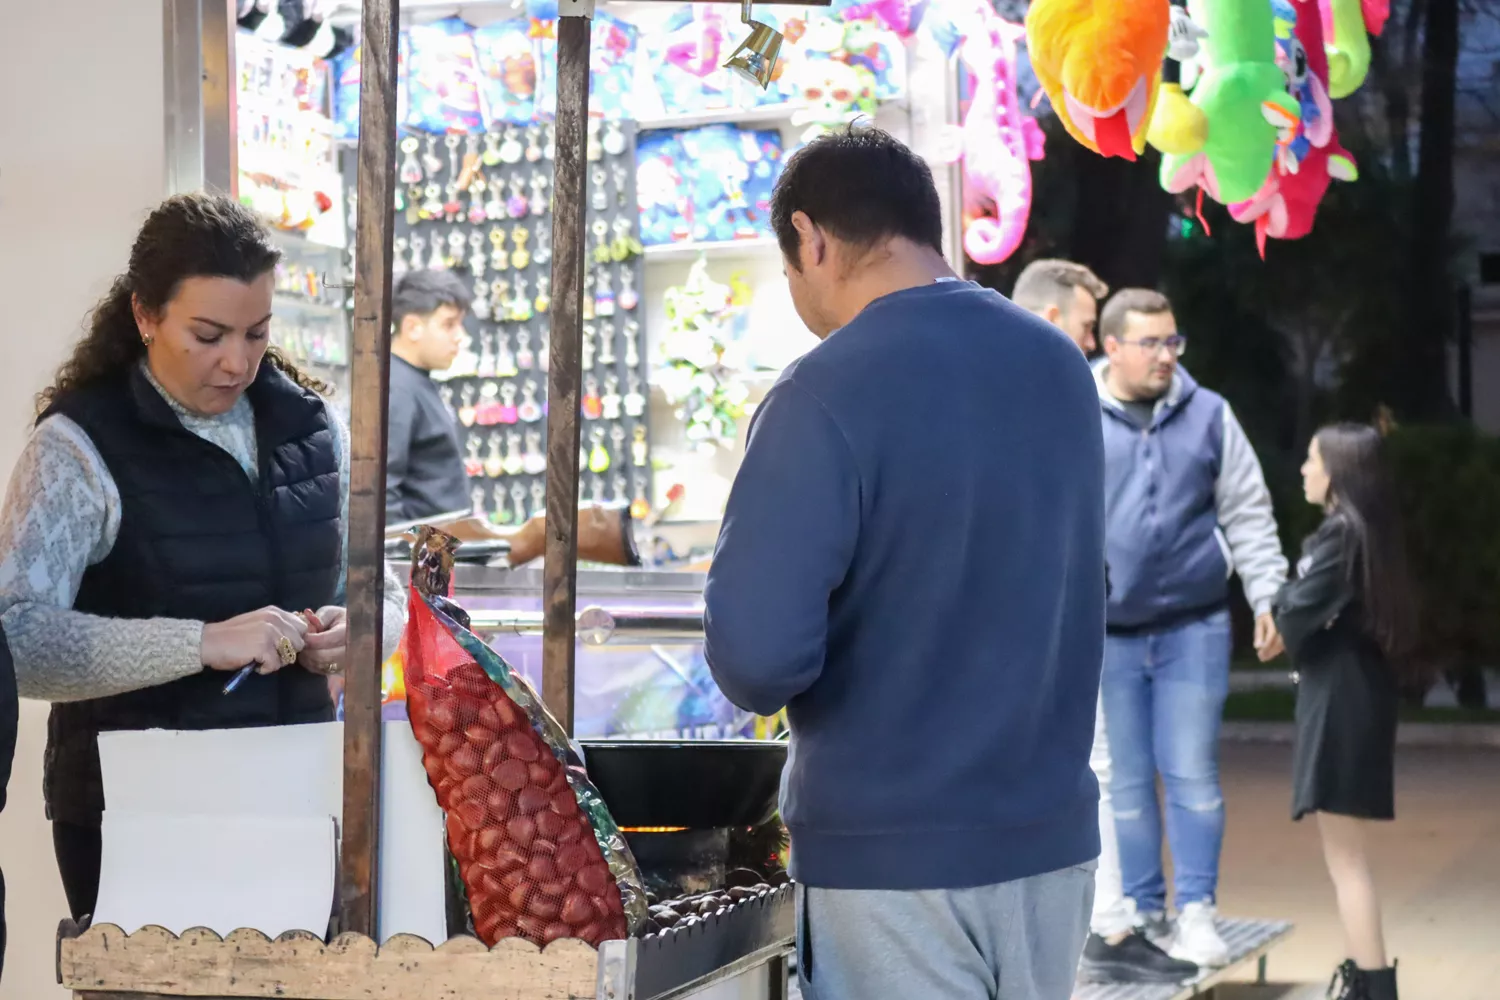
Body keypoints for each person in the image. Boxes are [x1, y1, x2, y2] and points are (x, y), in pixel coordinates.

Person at [703, 125, 1105, 1000]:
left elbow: (757, 658)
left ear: (810, 239)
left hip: (890, 858)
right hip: (1051, 846)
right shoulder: (1059, 366)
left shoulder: (822, 391)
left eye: (790, 266)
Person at [0, 193, 407, 923]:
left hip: (301, 799)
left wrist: (363, 630)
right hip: (135, 818)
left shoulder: (313, 428)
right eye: (209, 334)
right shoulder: (77, 448)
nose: (238, 361)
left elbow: (382, 587)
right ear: (144, 315)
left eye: (257, 333)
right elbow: (16, 641)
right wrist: (202, 642)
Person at [1013, 260, 1196, 986]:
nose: (1095, 346)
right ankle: (1104, 924)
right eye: (1090, 329)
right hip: (1040, 618)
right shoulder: (1032, 391)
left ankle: (1103, 921)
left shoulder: (1023, 388)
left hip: (1055, 609)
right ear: (1055, 321)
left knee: (1097, 764)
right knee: (1093, 763)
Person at [1094, 288, 1289, 967]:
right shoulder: (1076, 413)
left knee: (1192, 775)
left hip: (1195, 627)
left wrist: (1269, 598)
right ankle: (1146, 913)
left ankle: (1197, 910)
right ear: (1110, 345)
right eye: (1150, 342)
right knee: (1124, 783)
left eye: (1172, 340)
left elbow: (1248, 511)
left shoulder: (1209, 414)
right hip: (1108, 632)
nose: (1165, 355)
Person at [1271, 424, 1414, 1000]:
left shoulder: (1342, 536)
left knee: (1346, 859)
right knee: (1346, 857)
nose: (1304, 470)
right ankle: (1368, 979)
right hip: (1357, 697)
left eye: (1311, 459)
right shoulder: (1367, 534)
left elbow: (1295, 614)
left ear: (1338, 472)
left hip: (1342, 703)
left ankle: (1373, 988)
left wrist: (1280, 607)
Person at [386, 270, 473, 524]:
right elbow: (382, 491)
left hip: (435, 548)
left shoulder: (413, 380)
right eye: (448, 324)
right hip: (423, 554)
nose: (460, 336)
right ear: (412, 327)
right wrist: (409, 560)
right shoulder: (396, 388)